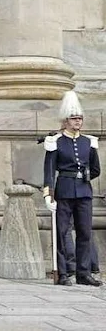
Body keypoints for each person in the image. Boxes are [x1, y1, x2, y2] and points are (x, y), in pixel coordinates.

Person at [43, 90, 102, 286]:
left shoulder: (89, 142)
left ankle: (83, 273)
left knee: (85, 232)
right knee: (61, 232)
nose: (78, 122)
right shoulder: (55, 142)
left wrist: (83, 177)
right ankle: (65, 272)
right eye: (74, 118)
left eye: (80, 118)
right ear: (65, 121)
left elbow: (95, 169)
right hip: (64, 190)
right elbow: (49, 171)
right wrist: (48, 195)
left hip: (84, 191)